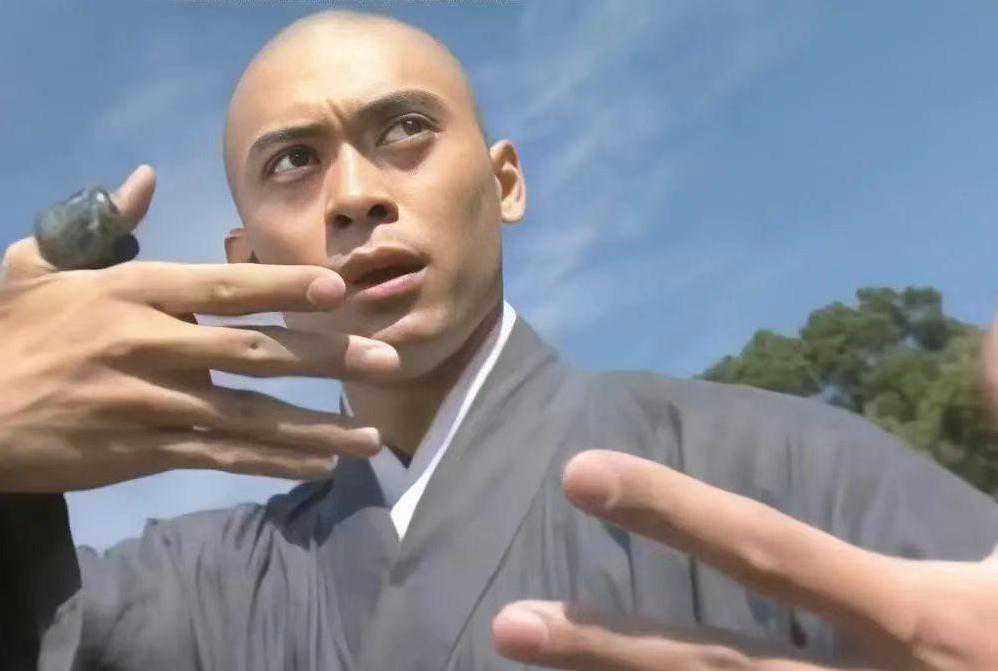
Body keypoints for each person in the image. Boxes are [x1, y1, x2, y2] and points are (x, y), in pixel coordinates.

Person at [0, 9, 995, 671]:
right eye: (294, 162)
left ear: (504, 181)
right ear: (245, 253)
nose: (356, 196)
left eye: (403, 130)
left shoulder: (779, 469)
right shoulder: (194, 590)